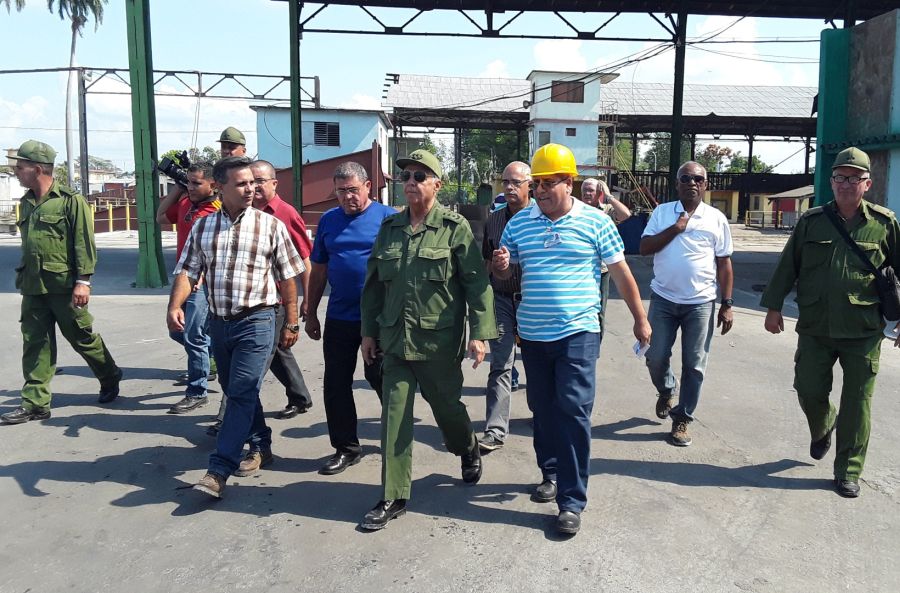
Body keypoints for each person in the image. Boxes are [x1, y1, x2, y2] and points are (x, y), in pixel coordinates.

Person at [491, 143, 651, 535]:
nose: (541, 190)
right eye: (537, 183)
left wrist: (640, 318)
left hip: (578, 330)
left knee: (574, 409)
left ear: (569, 182)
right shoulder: (519, 223)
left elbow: (621, 272)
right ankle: (550, 473)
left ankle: (571, 499)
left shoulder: (596, 222)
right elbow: (504, 274)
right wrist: (500, 267)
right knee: (543, 410)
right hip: (531, 333)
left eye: (548, 183)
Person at [359, 149, 497, 530]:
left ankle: (467, 446)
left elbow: (475, 283)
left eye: (421, 176)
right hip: (395, 340)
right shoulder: (389, 229)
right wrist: (368, 332)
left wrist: (480, 335)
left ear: (437, 183)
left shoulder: (454, 229)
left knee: (447, 410)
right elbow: (373, 287)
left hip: (439, 343)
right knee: (395, 415)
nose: (411, 182)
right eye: (407, 177)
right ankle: (393, 494)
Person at [761, 147, 900, 499]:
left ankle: (848, 471)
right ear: (831, 181)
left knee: (858, 402)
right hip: (815, 325)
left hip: (863, 329)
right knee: (807, 387)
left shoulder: (884, 224)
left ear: (867, 184)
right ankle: (823, 422)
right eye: (840, 177)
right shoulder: (812, 221)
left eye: (854, 178)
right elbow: (787, 265)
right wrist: (774, 306)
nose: (846, 184)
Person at [168, 156, 304, 498]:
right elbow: (188, 270)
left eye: (254, 183)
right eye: (242, 184)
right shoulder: (203, 227)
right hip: (220, 323)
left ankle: (218, 470)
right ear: (221, 187)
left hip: (258, 320)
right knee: (236, 390)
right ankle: (261, 444)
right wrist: (174, 305)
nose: (251, 189)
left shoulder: (270, 226)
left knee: (242, 391)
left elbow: (289, 276)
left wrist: (292, 319)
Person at [2, 140, 122, 425]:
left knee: (82, 337)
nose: (17, 172)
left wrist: (83, 282)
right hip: (33, 285)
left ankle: (109, 375)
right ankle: (35, 402)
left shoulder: (70, 201)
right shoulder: (26, 201)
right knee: (35, 343)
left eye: (21, 167)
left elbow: (84, 243)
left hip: (64, 285)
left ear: (38, 169)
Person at [305, 161, 395, 475]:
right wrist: (310, 312)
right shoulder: (329, 221)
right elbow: (318, 271)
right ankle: (346, 448)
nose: (348, 197)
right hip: (340, 316)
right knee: (336, 383)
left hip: (381, 319)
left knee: (381, 378)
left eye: (353, 190)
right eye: (341, 191)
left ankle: (396, 438)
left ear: (368, 186)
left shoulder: (389, 219)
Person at [639, 161, 733, 447]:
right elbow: (643, 249)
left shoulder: (716, 218)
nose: (692, 183)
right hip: (664, 299)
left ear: (705, 184)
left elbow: (724, 264)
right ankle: (667, 389)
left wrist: (727, 303)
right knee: (654, 356)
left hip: (701, 303)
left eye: (698, 179)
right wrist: (676, 229)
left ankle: (682, 418)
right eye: (685, 178)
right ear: (677, 183)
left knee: (694, 364)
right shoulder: (662, 213)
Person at [249, 160, 315, 420]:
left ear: (274, 183)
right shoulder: (244, 211)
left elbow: (306, 261)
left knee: (253, 362)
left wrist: (307, 301)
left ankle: (227, 416)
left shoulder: (285, 214)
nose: (254, 187)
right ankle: (300, 396)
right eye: (249, 181)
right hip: (252, 299)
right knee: (277, 350)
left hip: (276, 300)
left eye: (260, 181)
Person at [155, 162, 220, 414]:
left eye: (196, 183)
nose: (190, 187)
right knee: (177, 331)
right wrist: (177, 188)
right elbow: (160, 217)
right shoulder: (185, 203)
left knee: (193, 335)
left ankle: (197, 391)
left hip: (201, 281)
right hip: (183, 276)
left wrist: (203, 273)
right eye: (188, 182)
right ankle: (210, 356)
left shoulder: (217, 210)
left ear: (213, 185)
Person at [478, 160, 532, 452]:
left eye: (516, 183)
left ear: (530, 186)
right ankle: (495, 429)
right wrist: (480, 299)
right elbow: (486, 262)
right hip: (501, 300)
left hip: (534, 301)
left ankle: (541, 413)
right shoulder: (494, 220)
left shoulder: (540, 217)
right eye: (506, 182)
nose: (510, 187)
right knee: (501, 364)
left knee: (537, 363)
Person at [580, 177, 632, 340]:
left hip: (601, 270)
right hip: (580, 269)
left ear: (599, 193)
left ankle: (595, 344)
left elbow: (625, 215)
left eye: (591, 190)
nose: (587, 193)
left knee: (599, 310)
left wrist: (609, 196)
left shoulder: (607, 210)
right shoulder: (575, 210)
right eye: (584, 190)